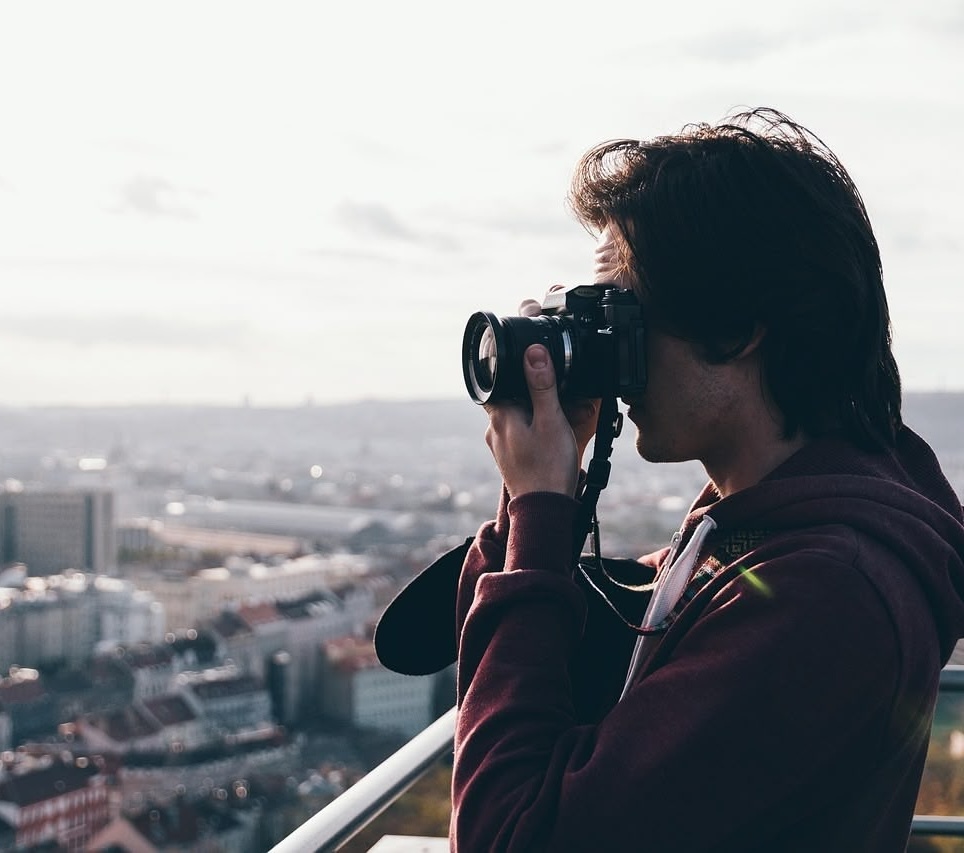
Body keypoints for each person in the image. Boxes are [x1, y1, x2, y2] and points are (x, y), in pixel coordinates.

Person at [449, 108, 964, 851]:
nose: (608, 349)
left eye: (622, 314)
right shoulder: (760, 523)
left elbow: (510, 835)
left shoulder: (825, 592)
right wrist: (531, 492)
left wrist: (539, 506)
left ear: (738, 326)